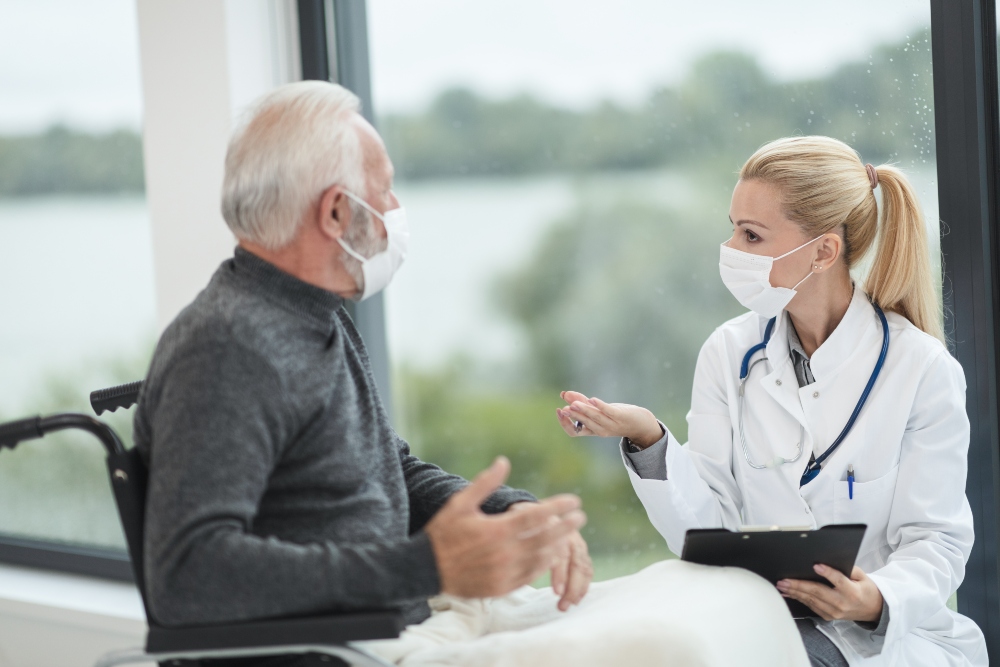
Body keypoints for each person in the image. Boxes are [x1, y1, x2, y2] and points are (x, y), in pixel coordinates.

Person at [134, 81, 592, 666]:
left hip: (385, 631)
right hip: (339, 651)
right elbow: (188, 574)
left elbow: (387, 471)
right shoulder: (230, 346)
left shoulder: (313, 314)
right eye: (385, 190)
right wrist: (427, 564)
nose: (396, 211)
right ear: (336, 212)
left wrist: (511, 515)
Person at [556, 136, 987, 667]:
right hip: (754, 615)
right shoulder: (728, 353)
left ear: (824, 251)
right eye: (732, 227)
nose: (731, 249)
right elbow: (704, 531)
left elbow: (936, 541)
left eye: (751, 234)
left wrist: (874, 598)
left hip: (879, 639)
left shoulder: (921, 369)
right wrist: (647, 437)